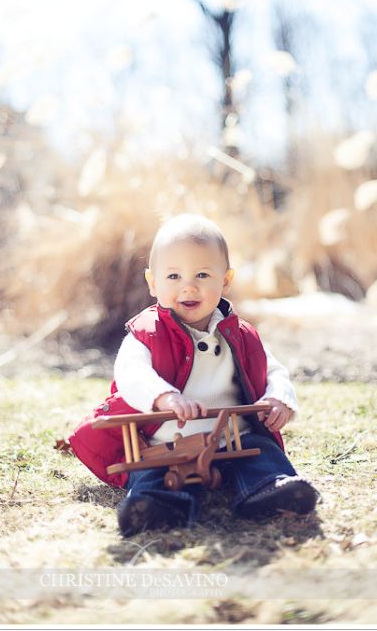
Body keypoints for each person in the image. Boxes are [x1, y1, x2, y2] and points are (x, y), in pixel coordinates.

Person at [70, 214, 319, 537]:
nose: (188, 285)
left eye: (203, 274)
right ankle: (155, 506)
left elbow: (272, 370)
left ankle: (270, 489)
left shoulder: (238, 334)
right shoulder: (146, 333)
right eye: (173, 276)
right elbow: (131, 373)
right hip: (166, 439)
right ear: (153, 282)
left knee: (261, 451)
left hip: (232, 435)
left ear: (225, 280)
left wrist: (279, 398)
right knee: (150, 470)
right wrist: (164, 397)